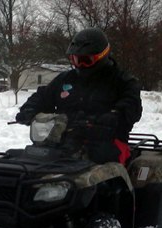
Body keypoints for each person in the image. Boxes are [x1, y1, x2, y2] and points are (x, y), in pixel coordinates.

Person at [15, 27, 143, 164]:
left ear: (102, 56)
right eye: (76, 60)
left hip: (107, 143)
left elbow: (131, 106)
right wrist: (30, 109)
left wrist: (113, 117)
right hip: (64, 140)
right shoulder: (66, 79)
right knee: (32, 159)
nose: (80, 65)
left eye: (86, 60)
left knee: (94, 163)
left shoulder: (122, 81)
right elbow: (43, 96)